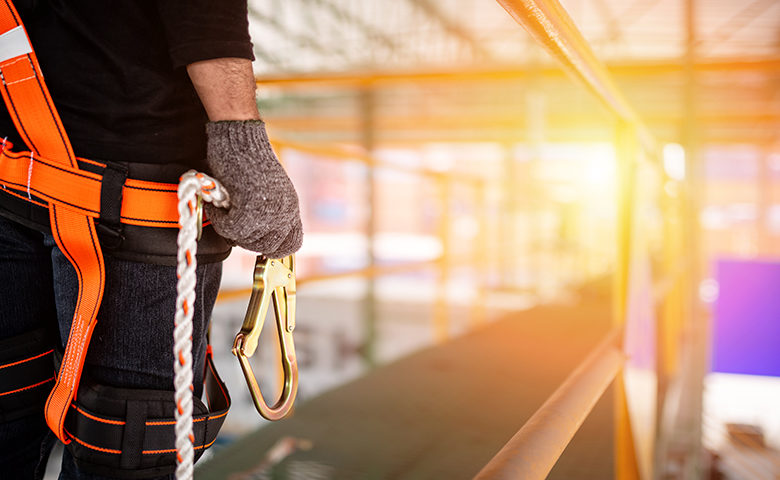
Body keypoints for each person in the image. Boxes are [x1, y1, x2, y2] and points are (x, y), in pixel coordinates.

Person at [0, 1, 303, 479]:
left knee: (11, 401)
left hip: (17, 160)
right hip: (137, 190)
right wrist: (238, 135)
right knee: (128, 446)